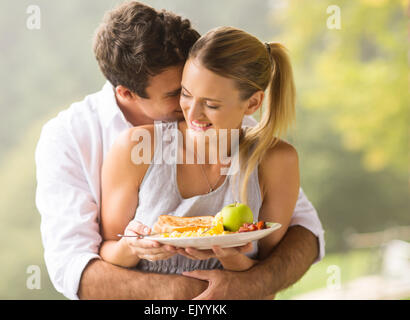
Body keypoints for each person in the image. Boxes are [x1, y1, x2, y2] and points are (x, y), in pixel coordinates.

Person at [35, 1, 325, 300]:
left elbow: (300, 230)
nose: (192, 112)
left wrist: (250, 280)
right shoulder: (71, 138)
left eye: (208, 100)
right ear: (125, 93)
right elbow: (73, 266)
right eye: (180, 94)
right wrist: (195, 296)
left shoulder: (236, 126)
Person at [100, 26, 300, 277]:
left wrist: (231, 258)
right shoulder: (135, 147)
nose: (192, 113)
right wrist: (132, 247)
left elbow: (268, 275)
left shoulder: (277, 161)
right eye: (186, 94)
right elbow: (107, 251)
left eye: (211, 104)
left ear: (252, 103)